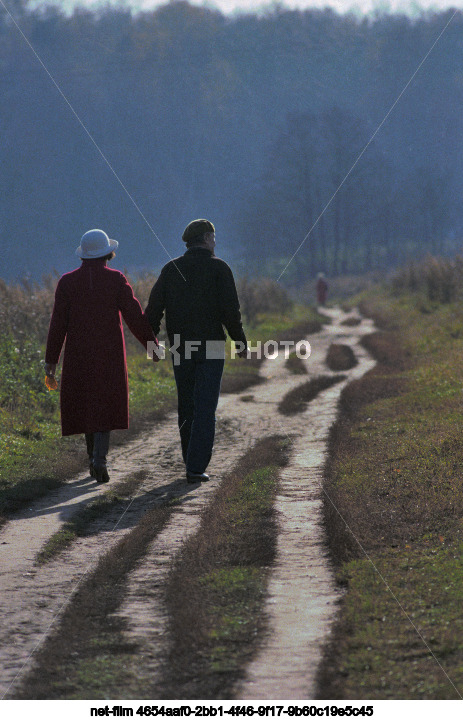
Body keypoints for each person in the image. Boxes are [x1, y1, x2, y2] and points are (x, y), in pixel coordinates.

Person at [44, 229, 158, 484]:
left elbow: (57, 325)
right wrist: (153, 346)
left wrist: (51, 362)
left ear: (83, 255)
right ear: (108, 253)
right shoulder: (117, 280)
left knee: (86, 404)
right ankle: (100, 459)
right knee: (105, 404)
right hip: (109, 354)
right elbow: (135, 317)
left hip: (77, 355)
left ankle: (92, 459)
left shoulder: (66, 283)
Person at [145, 219, 247, 483]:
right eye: (213, 236)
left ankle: (190, 461)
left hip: (180, 345)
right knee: (205, 406)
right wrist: (240, 341)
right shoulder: (219, 268)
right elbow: (230, 312)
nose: (215, 241)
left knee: (187, 404)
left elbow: (153, 310)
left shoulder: (171, 269)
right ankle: (195, 466)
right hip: (211, 345)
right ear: (205, 238)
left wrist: (151, 342)